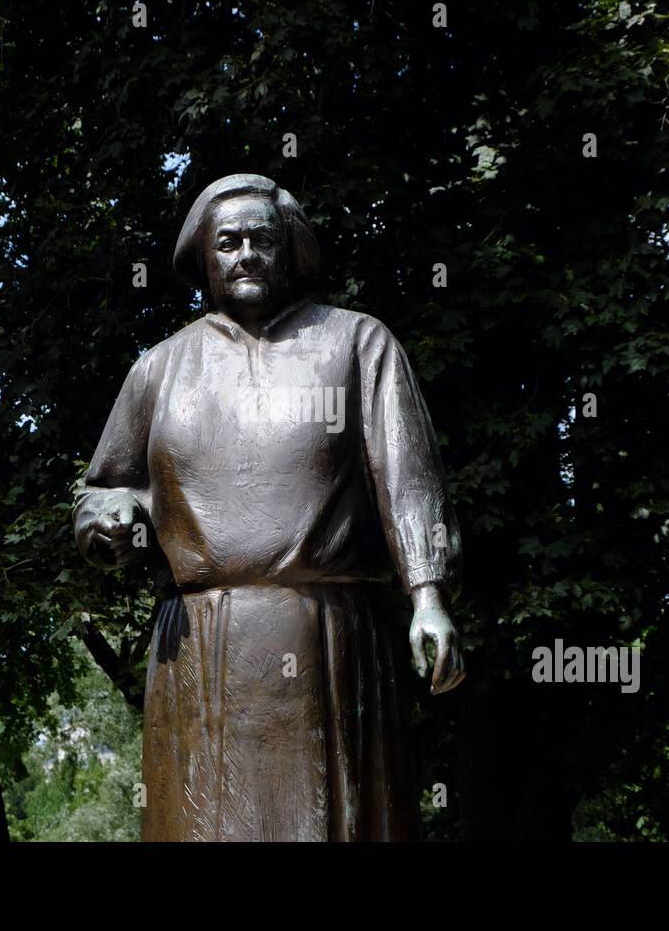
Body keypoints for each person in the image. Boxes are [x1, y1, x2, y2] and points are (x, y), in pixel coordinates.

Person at [74, 173, 464, 841]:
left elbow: (409, 478)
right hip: (196, 648)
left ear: (291, 251)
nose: (247, 254)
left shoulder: (357, 344)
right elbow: (106, 486)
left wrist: (427, 595)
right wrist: (108, 524)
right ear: (204, 257)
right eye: (229, 242)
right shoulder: (159, 370)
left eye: (263, 240)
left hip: (326, 637)